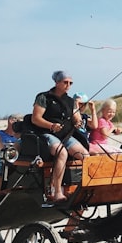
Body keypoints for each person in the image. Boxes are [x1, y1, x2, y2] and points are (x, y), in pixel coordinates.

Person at [30, 70, 88, 203]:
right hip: (47, 133)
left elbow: (76, 117)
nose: (68, 85)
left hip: (66, 135)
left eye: (70, 83)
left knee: (84, 155)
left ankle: (81, 188)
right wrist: (51, 125)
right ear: (57, 82)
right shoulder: (44, 97)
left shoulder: (70, 101)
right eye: (65, 82)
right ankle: (57, 191)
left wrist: (78, 122)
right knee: (62, 153)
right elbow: (35, 119)